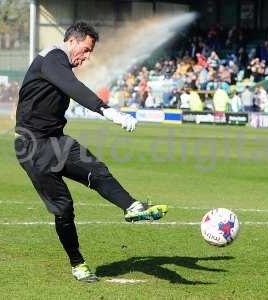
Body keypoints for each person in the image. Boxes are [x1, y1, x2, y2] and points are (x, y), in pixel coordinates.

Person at [14, 22, 168, 283]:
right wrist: (106, 110)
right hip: (32, 147)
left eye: (90, 53)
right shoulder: (52, 58)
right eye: (85, 50)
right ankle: (78, 264)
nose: (86, 57)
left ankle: (132, 207)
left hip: (56, 141)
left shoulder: (59, 63)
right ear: (71, 41)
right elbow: (72, 87)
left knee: (97, 170)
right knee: (64, 209)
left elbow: (69, 86)